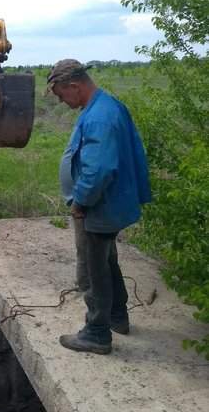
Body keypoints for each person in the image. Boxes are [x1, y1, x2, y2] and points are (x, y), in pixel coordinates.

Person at [47, 59, 151, 355]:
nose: (61, 101)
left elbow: (99, 169)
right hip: (112, 204)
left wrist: (80, 201)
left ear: (74, 86)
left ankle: (96, 333)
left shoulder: (99, 117)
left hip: (101, 206)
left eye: (60, 94)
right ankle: (118, 316)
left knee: (96, 270)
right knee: (108, 261)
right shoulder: (105, 106)